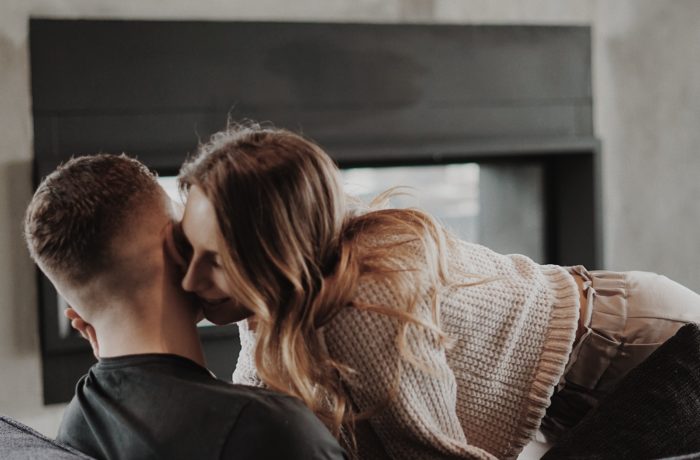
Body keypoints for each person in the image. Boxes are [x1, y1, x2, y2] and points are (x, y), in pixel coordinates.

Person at [167, 122, 700, 460]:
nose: (191, 281)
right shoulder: (287, 290)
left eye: (217, 262)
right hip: (581, 373)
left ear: (278, 252)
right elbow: (261, 399)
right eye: (190, 253)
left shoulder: (362, 309)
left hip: (633, 347)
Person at [23, 154, 347, 460]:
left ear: (79, 320)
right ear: (176, 249)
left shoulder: (74, 428)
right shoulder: (270, 432)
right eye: (187, 230)